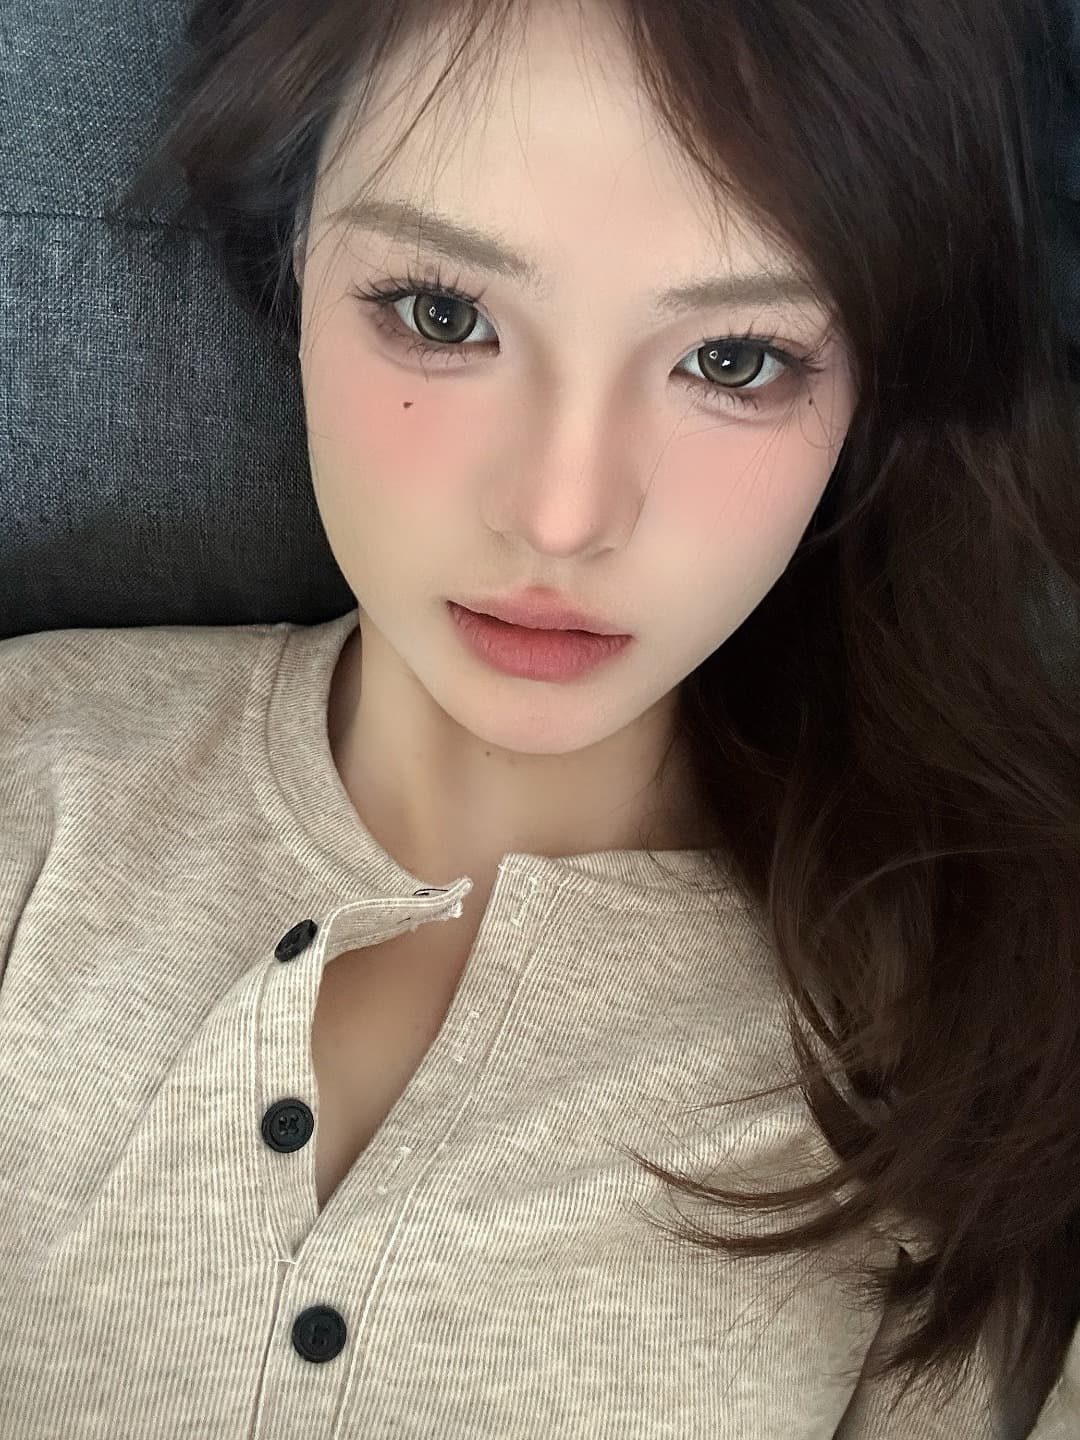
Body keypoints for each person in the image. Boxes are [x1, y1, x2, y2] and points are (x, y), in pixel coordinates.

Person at [1, 0, 1078, 1434]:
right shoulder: (34, 775)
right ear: (294, 256)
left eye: (733, 358)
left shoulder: (973, 1042)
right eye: (444, 315)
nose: (564, 516)